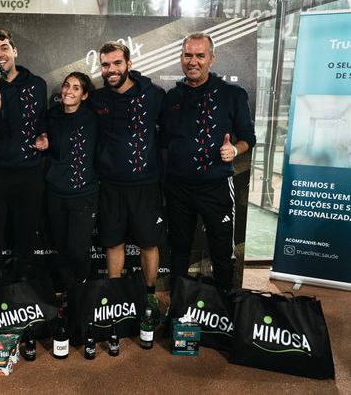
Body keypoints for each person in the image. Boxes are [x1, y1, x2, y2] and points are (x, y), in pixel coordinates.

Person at [161, 32, 256, 292]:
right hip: (178, 188)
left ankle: (224, 304)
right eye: (188, 55)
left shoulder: (233, 94)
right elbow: (163, 139)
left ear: (211, 59)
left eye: (200, 56)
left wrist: (234, 150)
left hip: (216, 187)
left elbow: (248, 138)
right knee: (178, 251)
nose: (193, 61)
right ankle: (178, 304)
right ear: (181, 58)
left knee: (222, 252)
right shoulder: (172, 97)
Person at [89, 41, 166, 319]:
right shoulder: (97, 99)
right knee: (113, 243)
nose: (111, 69)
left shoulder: (154, 95)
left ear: (129, 64)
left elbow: (169, 133)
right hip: (110, 185)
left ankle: (150, 296)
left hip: (145, 185)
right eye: (105, 65)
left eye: (117, 63)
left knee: (148, 243)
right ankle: (114, 297)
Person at [0, 29, 48, 281]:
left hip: (29, 174)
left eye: (4, 48)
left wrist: (44, 134)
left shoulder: (37, 84)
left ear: (14, 51)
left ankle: (23, 292)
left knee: (26, 238)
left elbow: (42, 119)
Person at [45, 72, 98, 288]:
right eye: (67, 85)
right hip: (56, 192)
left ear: (84, 95)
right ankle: (68, 295)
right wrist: (42, 137)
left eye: (76, 88)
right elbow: (40, 133)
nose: (69, 91)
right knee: (61, 248)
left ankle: (82, 292)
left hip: (84, 194)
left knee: (78, 249)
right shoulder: (51, 116)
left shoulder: (94, 118)